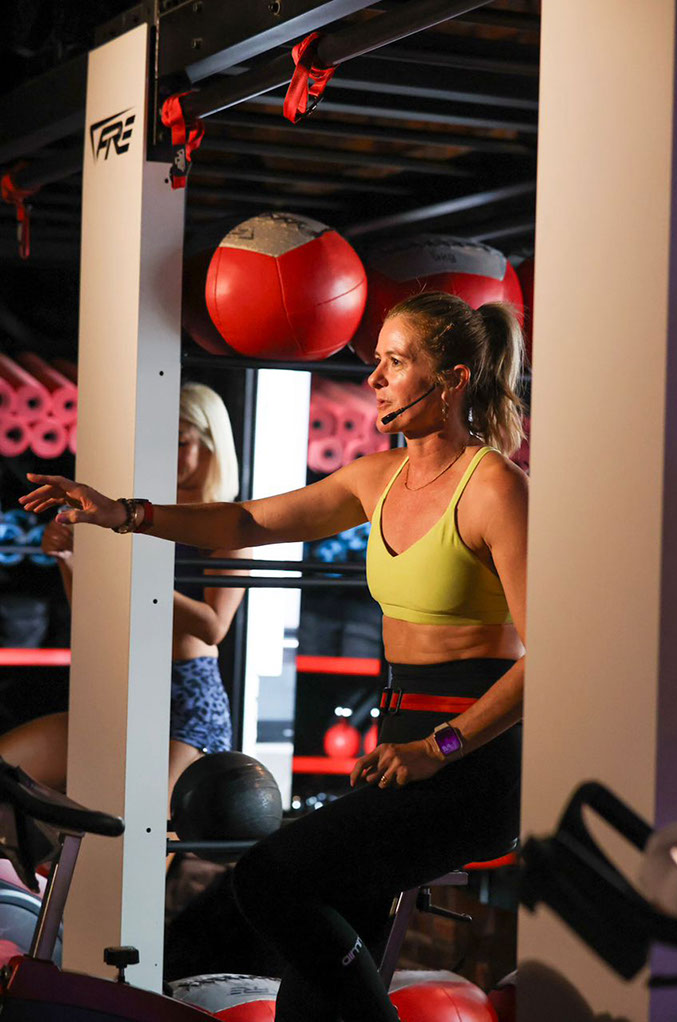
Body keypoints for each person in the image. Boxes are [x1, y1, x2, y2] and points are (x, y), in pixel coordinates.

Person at [20, 292, 528, 1022]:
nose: (376, 377)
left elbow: (549, 660)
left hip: (470, 763)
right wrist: (122, 513)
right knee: (307, 997)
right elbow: (245, 521)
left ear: (451, 381)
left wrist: (440, 749)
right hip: (401, 751)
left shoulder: (496, 490)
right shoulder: (378, 477)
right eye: (376, 360)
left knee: (268, 880)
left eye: (395, 361)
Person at [2, 382, 250, 803]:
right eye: (160, 440)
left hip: (185, 705)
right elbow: (93, 612)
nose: (167, 453)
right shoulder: (139, 516)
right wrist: (69, 557)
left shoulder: (229, 525)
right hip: (118, 689)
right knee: (8, 778)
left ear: (211, 445)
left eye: (180, 441)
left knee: (141, 833)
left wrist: (137, 579)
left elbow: (213, 627)